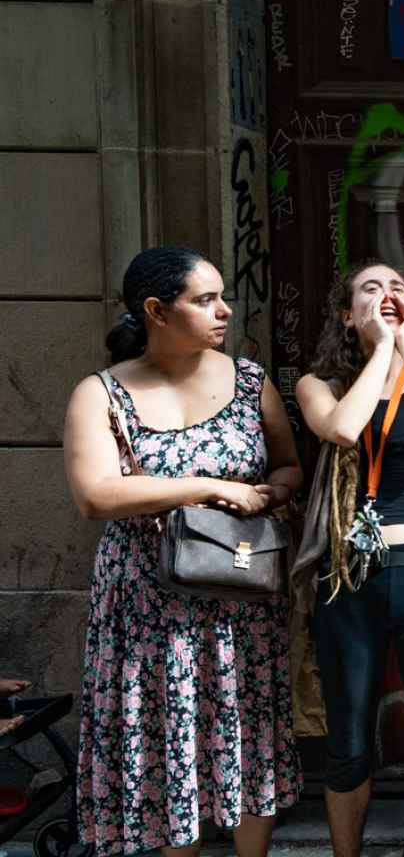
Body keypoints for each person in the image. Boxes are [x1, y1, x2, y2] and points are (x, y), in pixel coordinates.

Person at [62, 246, 304, 857]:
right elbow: (96, 495)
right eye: (205, 300)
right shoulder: (101, 393)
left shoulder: (249, 379)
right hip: (149, 603)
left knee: (247, 734)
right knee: (167, 739)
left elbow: (290, 466)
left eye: (223, 295)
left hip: (241, 592)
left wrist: (267, 494)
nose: (225, 310)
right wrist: (209, 486)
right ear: (156, 311)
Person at [293, 261, 404, 857]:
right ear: (347, 316)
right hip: (349, 579)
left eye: (398, 287)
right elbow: (343, 430)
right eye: (371, 288)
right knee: (347, 746)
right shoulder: (318, 384)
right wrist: (381, 351)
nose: (388, 294)